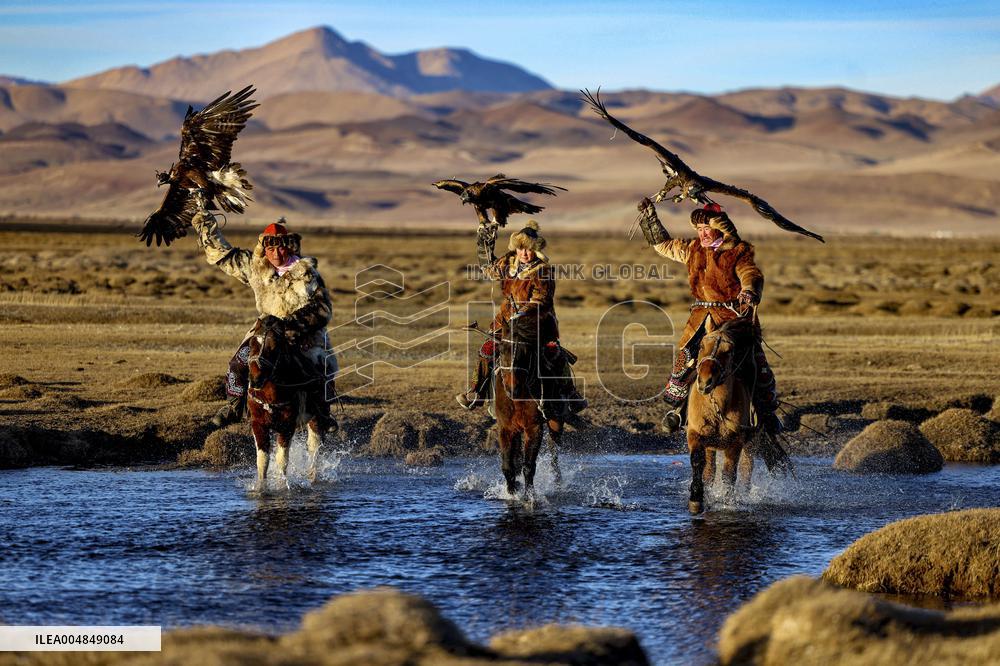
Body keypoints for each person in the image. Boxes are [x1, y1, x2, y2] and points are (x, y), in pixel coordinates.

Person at [636, 197, 782, 435]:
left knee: (755, 363)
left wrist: (749, 290)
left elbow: (750, 273)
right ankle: (679, 410)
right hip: (700, 320)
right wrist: (649, 218)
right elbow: (664, 245)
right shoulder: (693, 249)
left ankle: (766, 413)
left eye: (707, 228)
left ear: (720, 229)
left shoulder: (738, 251)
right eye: (699, 229)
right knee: (686, 360)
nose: (702, 234)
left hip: (731, 319)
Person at [188, 204, 335, 428]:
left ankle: (322, 415)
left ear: (289, 247)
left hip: (301, 331)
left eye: (281, 248)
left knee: (320, 368)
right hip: (266, 328)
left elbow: (323, 309)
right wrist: (204, 223)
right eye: (271, 249)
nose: (276, 254)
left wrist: (294, 327)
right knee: (237, 364)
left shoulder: (307, 274)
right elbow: (224, 255)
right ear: (264, 248)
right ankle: (234, 407)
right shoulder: (256, 267)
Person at [456, 220, 586, 419]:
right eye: (520, 248)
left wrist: (522, 314)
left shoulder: (543, 271)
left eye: (529, 249)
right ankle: (476, 392)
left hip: (537, 322)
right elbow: (488, 269)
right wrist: (484, 243)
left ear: (536, 249)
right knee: (487, 350)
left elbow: (541, 299)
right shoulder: (509, 262)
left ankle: (570, 393)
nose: (524, 253)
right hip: (505, 322)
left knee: (553, 353)